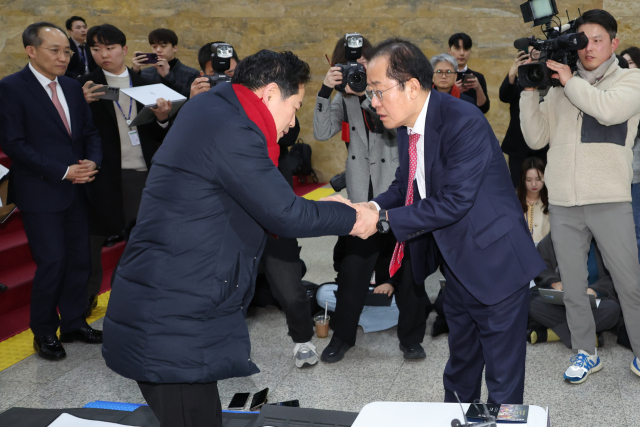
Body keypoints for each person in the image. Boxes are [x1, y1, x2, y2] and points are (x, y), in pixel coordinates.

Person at [101, 49, 377, 427]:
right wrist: (353, 216)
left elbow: (262, 202)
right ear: (267, 95)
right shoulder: (234, 129)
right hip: (174, 316)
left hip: (175, 300)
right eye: (294, 106)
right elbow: (285, 213)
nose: (291, 121)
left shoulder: (214, 107)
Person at [333, 38, 545, 404]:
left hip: (497, 266)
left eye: (379, 91)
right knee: (461, 365)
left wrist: (382, 221)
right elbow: (406, 183)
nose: (373, 102)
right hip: (458, 266)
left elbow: (455, 201)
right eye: (370, 92)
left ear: (412, 86)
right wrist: (367, 206)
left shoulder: (463, 121)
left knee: (503, 380)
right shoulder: (407, 125)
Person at [520, 9, 640, 383]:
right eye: (582, 39)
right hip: (566, 203)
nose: (588, 47)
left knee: (629, 282)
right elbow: (536, 139)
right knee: (572, 285)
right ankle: (586, 352)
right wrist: (529, 89)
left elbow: (607, 111)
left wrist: (569, 80)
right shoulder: (559, 88)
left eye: (597, 39)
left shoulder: (631, 80)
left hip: (609, 199)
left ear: (614, 43)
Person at [315, 35, 430, 363]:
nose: (358, 68)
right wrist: (326, 90)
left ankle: (411, 339)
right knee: (352, 273)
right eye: (351, 62)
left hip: (394, 195)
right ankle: (342, 338)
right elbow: (322, 131)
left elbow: (401, 131)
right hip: (361, 199)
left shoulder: (385, 94)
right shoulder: (343, 95)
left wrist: (368, 94)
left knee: (408, 272)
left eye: (363, 61)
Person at [0, 22, 103, 360]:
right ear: (31, 51)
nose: (64, 56)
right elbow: (13, 144)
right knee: (53, 261)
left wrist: (92, 162)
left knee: (79, 260)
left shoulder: (72, 87)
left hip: (77, 189)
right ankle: (44, 331)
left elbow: (89, 131)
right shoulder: (11, 88)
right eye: (55, 50)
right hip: (40, 191)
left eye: (67, 51)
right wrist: (63, 171)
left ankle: (74, 322)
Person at [78, 24, 172, 316]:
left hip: (142, 172)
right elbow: (74, 130)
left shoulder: (145, 82)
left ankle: (144, 293)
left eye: (109, 48)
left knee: (145, 236)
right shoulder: (83, 85)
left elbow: (159, 133)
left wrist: (163, 118)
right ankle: (88, 294)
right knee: (93, 238)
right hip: (102, 172)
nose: (103, 55)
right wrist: (80, 106)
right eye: (96, 49)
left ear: (124, 50)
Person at [528, 234, 621, 350]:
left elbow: (617, 275)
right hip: (560, 301)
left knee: (612, 310)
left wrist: (595, 290)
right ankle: (586, 334)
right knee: (528, 300)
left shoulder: (606, 241)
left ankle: (556, 333)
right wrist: (554, 283)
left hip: (592, 303)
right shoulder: (551, 238)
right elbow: (540, 267)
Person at [500, 49, 547, 187]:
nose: (534, 57)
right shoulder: (520, 77)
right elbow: (504, 96)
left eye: (538, 54)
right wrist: (513, 72)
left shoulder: (550, 76)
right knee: (518, 188)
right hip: (518, 145)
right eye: (530, 54)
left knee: (544, 190)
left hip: (544, 145)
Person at [132, 28, 199, 98]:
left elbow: (190, 98)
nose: (158, 50)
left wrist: (167, 76)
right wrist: (134, 72)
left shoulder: (191, 74)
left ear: (174, 48)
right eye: (154, 47)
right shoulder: (145, 73)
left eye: (163, 46)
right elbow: (136, 96)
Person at [447, 33, 490, 114]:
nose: (462, 53)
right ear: (449, 50)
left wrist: (478, 88)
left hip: (471, 122)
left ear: (470, 52)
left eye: (466, 49)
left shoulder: (478, 77)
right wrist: (453, 91)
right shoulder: (442, 75)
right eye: (457, 48)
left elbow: (484, 109)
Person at [516, 157, 550, 243]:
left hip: (544, 252)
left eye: (538, 179)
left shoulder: (551, 200)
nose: (534, 184)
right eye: (529, 180)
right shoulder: (513, 199)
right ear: (523, 179)